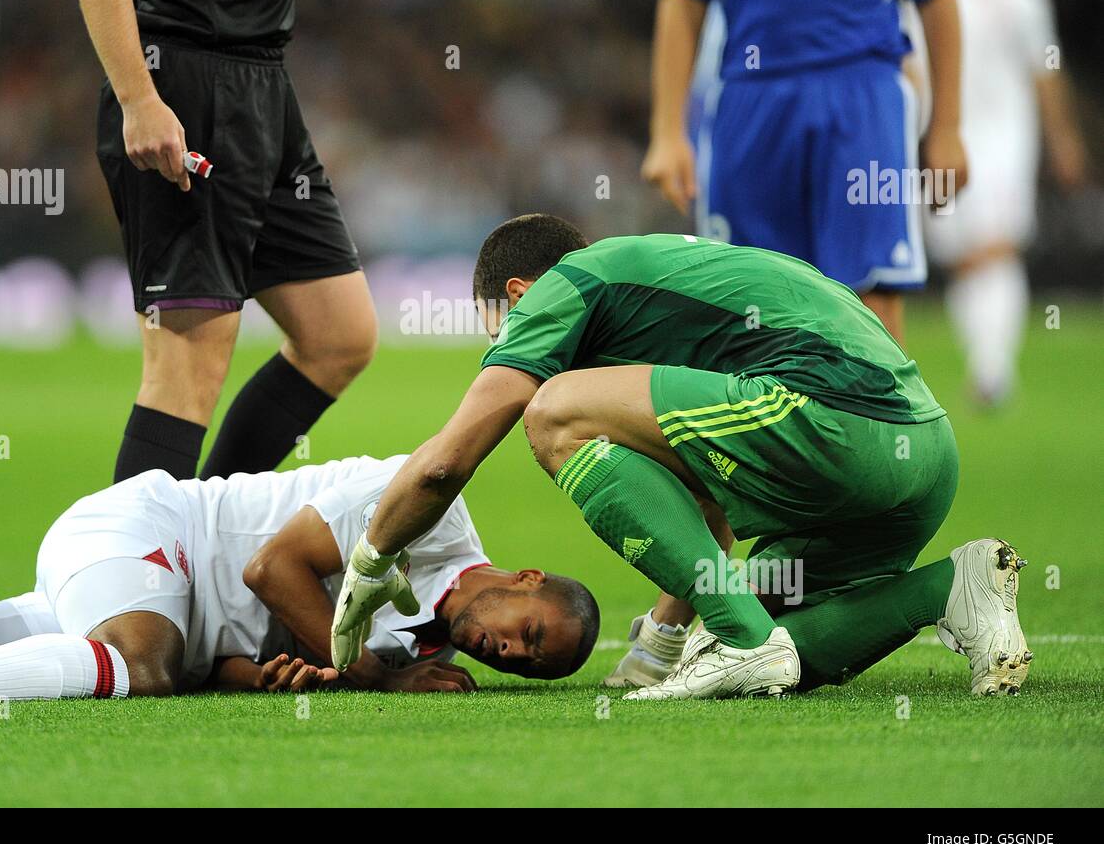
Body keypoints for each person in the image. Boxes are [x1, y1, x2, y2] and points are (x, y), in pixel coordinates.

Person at [327, 214, 1031, 700]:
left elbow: (447, 459)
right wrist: (663, 637)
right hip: (921, 460)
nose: (510, 352)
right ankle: (950, 586)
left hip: (832, 424)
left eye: (500, 335)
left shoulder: (568, 284)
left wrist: (372, 556)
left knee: (551, 411)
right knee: (770, 640)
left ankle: (737, 635)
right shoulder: (663, 306)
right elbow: (704, 493)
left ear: (518, 295)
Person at [0, 455, 600, 708]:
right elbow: (271, 568)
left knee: (137, 656)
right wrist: (365, 675)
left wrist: (271, 675)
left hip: (143, 593)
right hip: (151, 531)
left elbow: (220, 663)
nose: (507, 649)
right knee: (141, 666)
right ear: (525, 577)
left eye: (523, 661)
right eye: (530, 631)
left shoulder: (414, 646)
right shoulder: (426, 502)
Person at [69, 0, 376, 483]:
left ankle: (203, 525)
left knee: (338, 334)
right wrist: (139, 99)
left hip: (265, 85)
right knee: (188, 362)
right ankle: (132, 579)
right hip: (184, 81)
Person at [641, 0, 974, 345]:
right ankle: (755, 424)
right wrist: (667, 131)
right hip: (749, 96)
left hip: (863, 92)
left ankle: (877, 426)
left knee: (872, 294)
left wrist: (947, 128)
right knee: (741, 296)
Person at [925, 0, 1090, 407]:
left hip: (1005, 139)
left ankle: (992, 370)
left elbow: (1047, 72)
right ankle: (987, 363)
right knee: (960, 255)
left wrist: (1062, 138)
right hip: (943, 136)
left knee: (995, 244)